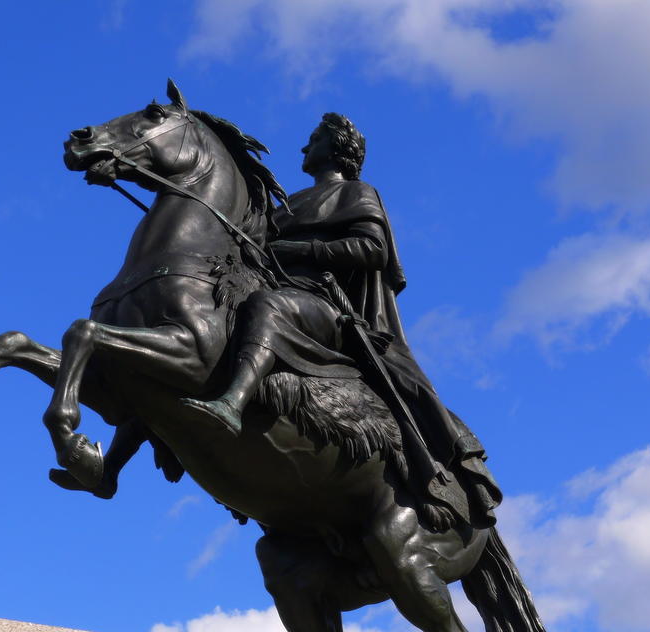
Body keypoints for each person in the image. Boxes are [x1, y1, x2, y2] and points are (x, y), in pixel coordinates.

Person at [183, 112, 501, 530]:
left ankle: (231, 404)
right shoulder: (289, 202)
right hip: (281, 289)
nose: (303, 147)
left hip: (323, 304)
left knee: (266, 307)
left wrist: (304, 251)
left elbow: (373, 249)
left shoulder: (357, 192)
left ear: (336, 148)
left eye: (312, 139)